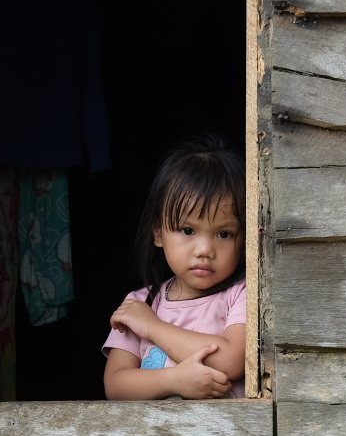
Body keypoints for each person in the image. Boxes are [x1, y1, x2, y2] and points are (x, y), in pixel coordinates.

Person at [103, 136, 247, 399]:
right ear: (158, 233)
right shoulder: (141, 303)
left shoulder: (241, 293)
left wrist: (152, 327)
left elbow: (232, 362)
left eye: (224, 234)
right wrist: (174, 381)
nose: (205, 249)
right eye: (188, 230)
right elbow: (115, 386)